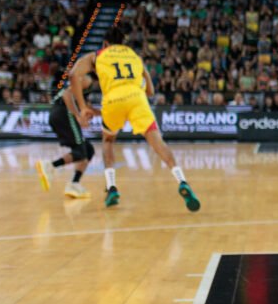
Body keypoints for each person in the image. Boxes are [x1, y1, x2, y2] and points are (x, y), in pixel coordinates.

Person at [70, 26, 200, 212]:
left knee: (108, 140)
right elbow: (151, 91)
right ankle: (182, 180)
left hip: (114, 99)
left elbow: (74, 74)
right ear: (123, 43)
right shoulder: (134, 56)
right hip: (137, 98)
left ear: (105, 43)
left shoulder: (97, 55)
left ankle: (112, 187)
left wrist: (82, 107)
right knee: (158, 142)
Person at [35, 73, 97, 199]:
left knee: (88, 150)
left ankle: (74, 184)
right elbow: (67, 94)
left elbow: (86, 107)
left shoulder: (88, 86)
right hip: (64, 113)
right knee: (80, 151)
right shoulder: (87, 79)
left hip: (61, 114)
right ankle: (50, 166)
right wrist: (78, 116)